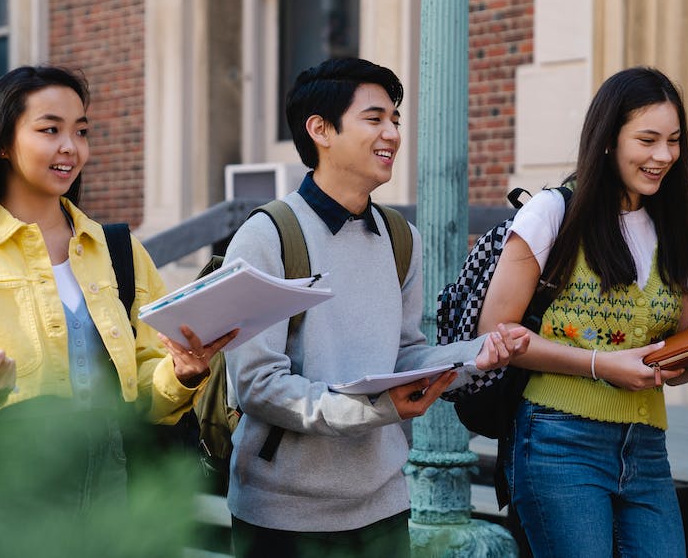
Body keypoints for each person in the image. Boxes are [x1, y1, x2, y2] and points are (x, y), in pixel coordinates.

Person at [0, 65, 237, 508]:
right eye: (50, 130)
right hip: (6, 502)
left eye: (81, 131)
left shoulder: (119, 252)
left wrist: (184, 371)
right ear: (2, 145)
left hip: (118, 494)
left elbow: (145, 398)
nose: (71, 148)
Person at [223, 57, 530, 558]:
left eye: (395, 119)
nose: (392, 133)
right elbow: (258, 386)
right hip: (283, 514)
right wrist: (369, 409)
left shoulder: (401, 239)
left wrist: (476, 356)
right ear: (320, 130)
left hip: (384, 504)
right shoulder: (266, 237)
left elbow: (404, 358)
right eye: (374, 118)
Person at [477, 66, 688, 557]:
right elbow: (496, 332)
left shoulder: (672, 222)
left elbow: (671, 363)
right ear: (609, 140)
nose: (663, 156)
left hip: (645, 449)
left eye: (673, 141)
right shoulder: (552, 213)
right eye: (648, 139)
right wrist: (600, 364)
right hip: (557, 442)